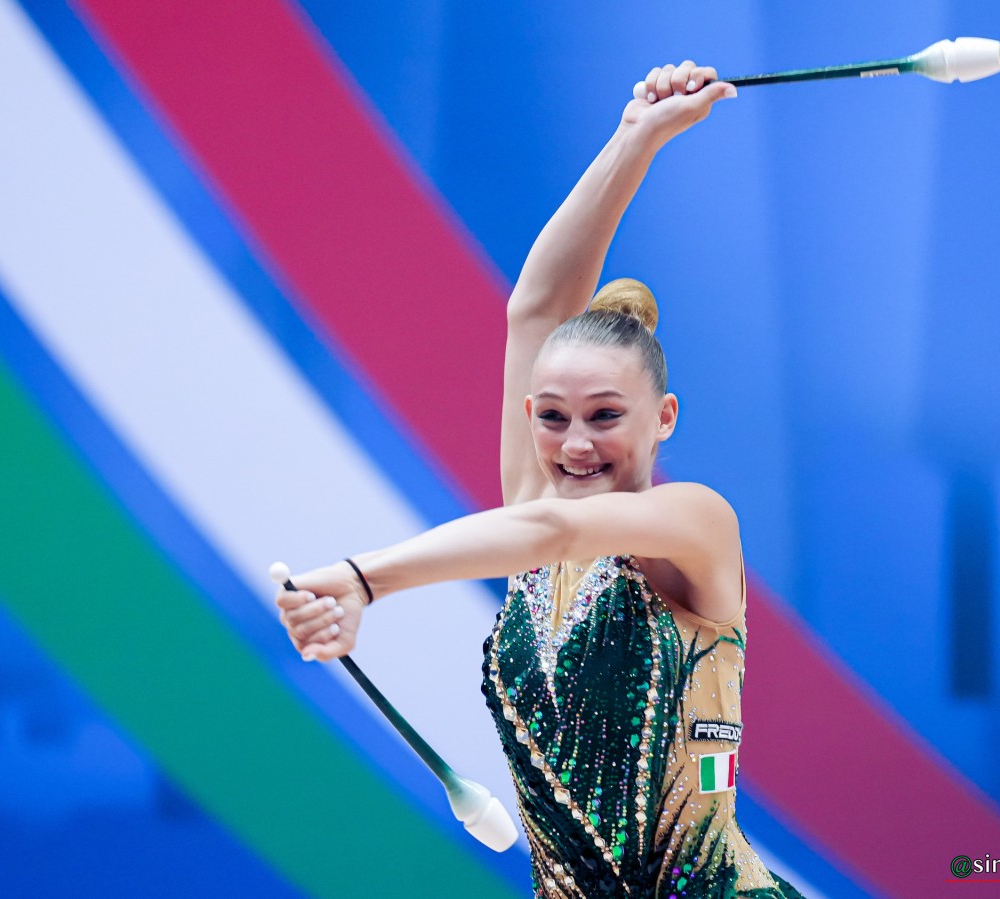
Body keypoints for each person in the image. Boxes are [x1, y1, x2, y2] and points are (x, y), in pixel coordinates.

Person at [275, 60, 805, 898]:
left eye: (606, 415)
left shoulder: (696, 525)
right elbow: (534, 308)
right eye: (552, 417)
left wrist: (362, 578)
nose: (575, 443)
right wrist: (635, 136)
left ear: (664, 417)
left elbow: (556, 529)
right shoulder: (534, 521)